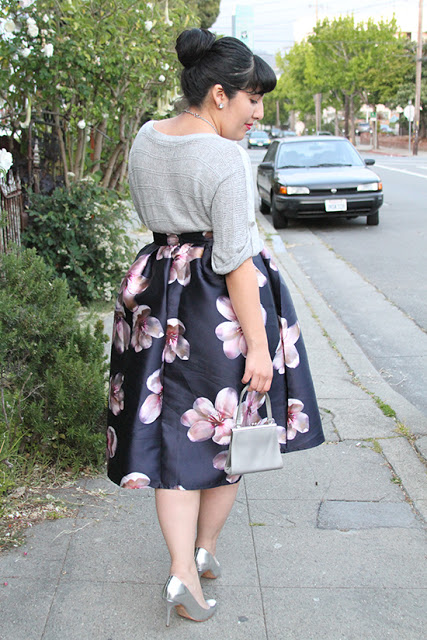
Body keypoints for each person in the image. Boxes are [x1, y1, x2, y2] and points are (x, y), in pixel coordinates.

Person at [106, 28, 324, 627]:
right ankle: (196, 559)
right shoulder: (225, 157)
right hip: (215, 311)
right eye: (253, 99)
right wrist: (258, 346)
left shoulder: (147, 138)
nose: (258, 113)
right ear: (220, 95)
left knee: (172, 439)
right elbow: (234, 262)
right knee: (233, 433)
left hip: (153, 297)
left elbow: (149, 212)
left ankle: (189, 562)